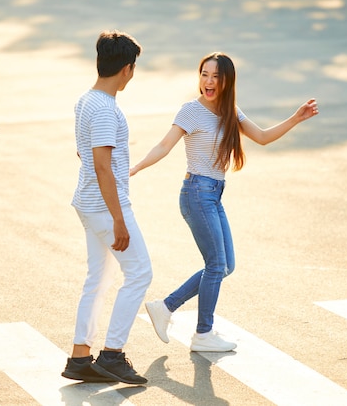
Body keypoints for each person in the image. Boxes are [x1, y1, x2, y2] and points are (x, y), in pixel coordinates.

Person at [131, 52, 319, 352]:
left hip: (214, 194)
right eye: (204, 74)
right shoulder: (190, 110)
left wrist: (296, 118)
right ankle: (202, 333)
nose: (208, 81)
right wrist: (137, 166)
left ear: (226, 81)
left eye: (215, 76)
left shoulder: (231, 110)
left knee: (225, 265)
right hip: (196, 193)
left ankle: (165, 307)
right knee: (216, 264)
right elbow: (165, 144)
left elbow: (262, 136)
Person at [61, 30, 153, 385]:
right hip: (103, 206)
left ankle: (80, 358)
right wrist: (118, 218)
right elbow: (101, 165)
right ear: (127, 69)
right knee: (140, 273)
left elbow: (84, 154)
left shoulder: (86, 100)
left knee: (98, 279)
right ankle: (112, 354)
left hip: (87, 202)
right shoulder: (104, 109)